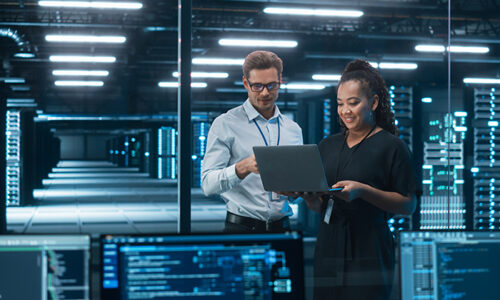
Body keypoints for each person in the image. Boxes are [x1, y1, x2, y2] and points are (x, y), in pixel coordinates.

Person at [304, 59, 419, 299]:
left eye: (353, 103)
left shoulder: (392, 147)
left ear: (373, 103)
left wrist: (363, 191)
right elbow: (319, 207)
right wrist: (309, 197)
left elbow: (408, 205)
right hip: (328, 246)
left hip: (369, 249)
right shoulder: (327, 146)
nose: (345, 110)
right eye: (340, 104)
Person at [201, 50, 303, 233]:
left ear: (280, 81)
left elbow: (297, 190)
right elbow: (208, 185)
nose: (265, 93)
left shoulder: (293, 129)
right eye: (257, 86)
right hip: (241, 229)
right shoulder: (225, 123)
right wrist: (243, 167)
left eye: (271, 85)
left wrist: (297, 192)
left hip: (283, 229)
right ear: (245, 83)